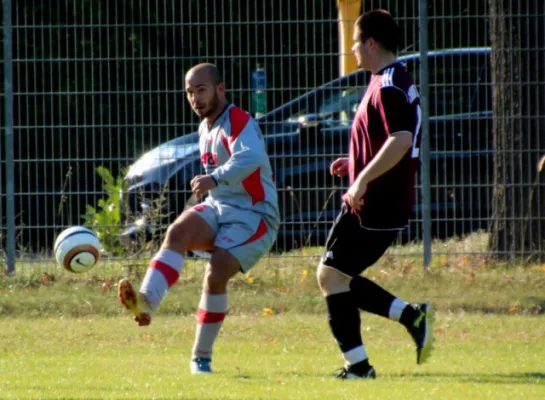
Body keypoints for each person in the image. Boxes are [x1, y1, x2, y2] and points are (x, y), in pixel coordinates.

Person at [117, 63, 280, 375]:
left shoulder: (239, 120)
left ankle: (201, 358)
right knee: (177, 232)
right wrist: (211, 188)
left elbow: (252, 158)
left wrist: (214, 178)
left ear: (220, 89)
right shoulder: (205, 127)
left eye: (201, 89)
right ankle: (146, 302)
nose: (195, 98)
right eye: (189, 92)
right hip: (221, 207)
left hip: (255, 215)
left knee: (216, 272)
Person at [316, 9, 434, 380]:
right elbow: (388, 140)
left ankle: (363, 364)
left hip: (377, 203)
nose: (352, 50)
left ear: (371, 42)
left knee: (332, 276)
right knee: (335, 276)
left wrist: (362, 181)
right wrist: (353, 165)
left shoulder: (388, 84)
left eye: (355, 41)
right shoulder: (386, 79)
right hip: (376, 199)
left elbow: (400, 141)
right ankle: (404, 323)